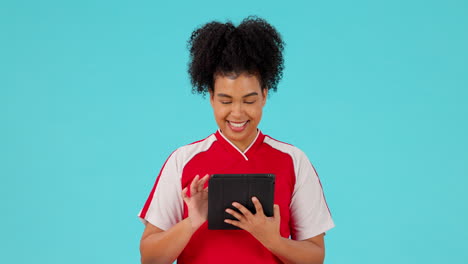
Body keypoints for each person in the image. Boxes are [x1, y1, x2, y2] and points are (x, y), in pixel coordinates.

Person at [138, 16, 335, 264]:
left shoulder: (293, 161)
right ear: (210, 97)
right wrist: (193, 221)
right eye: (226, 101)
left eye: (249, 100)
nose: (238, 113)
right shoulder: (183, 160)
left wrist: (272, 240)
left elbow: (315, 257)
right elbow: (150, 258)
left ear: (264, 95)